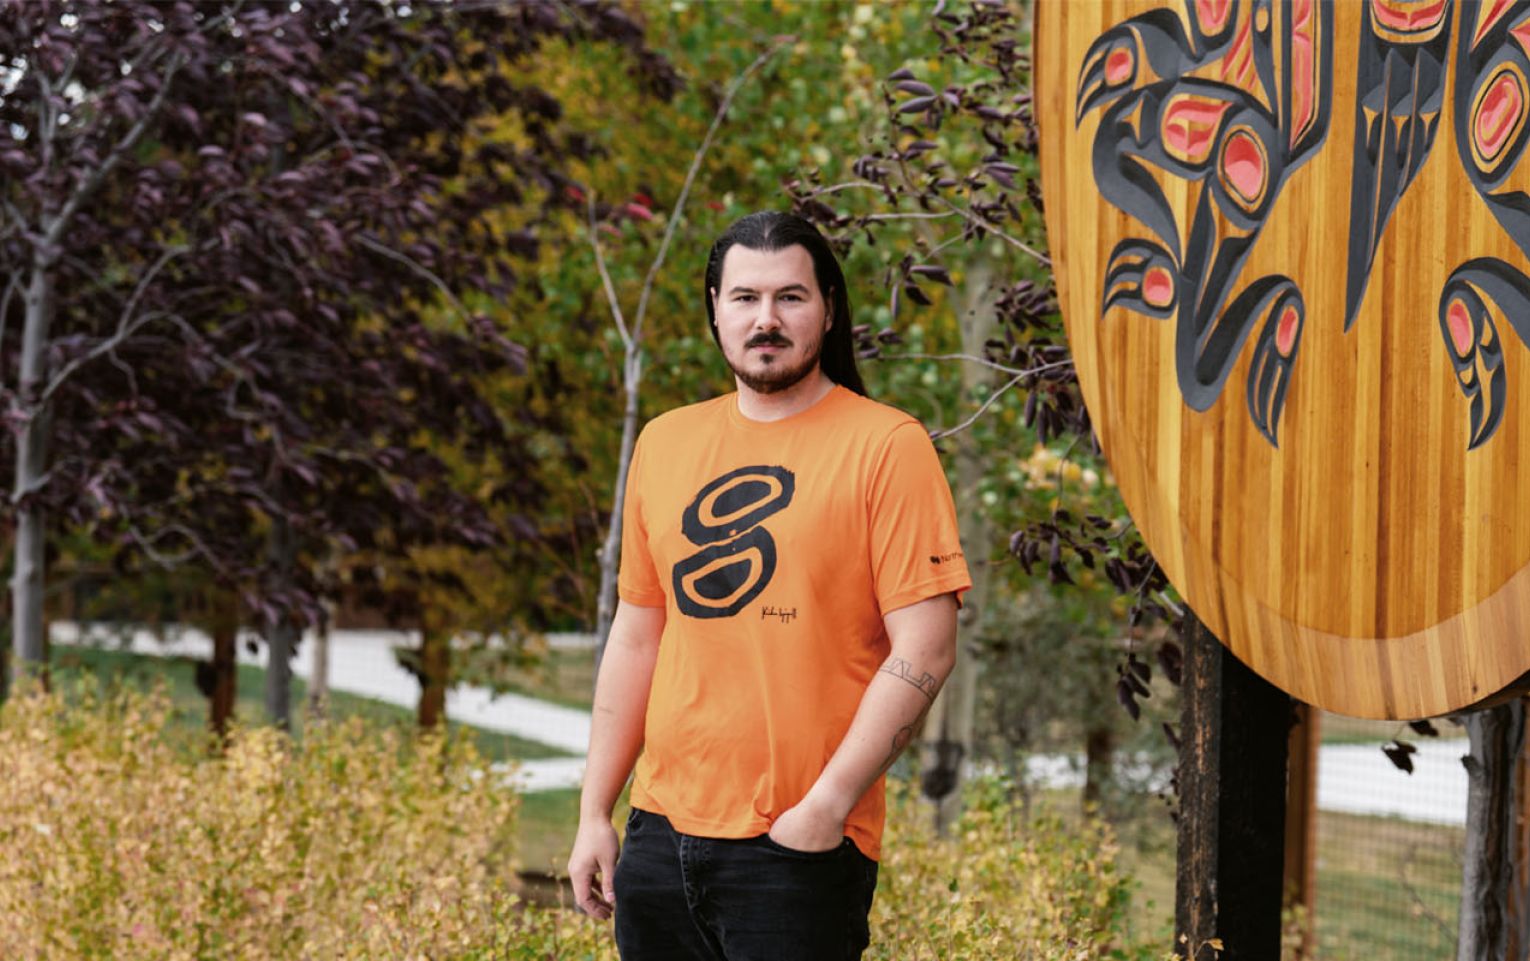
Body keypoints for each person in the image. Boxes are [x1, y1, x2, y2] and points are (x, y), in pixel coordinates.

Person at [567, 211, 971, 960]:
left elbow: (928, 648)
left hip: (796, 846)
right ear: (714, 309)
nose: (766, 319)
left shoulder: (887, 445)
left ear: (828, 308)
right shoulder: (665, 441)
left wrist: (825, 807)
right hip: (658, 838)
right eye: (745, 297)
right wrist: (597, 809)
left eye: (791, 297)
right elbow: (638, 631)